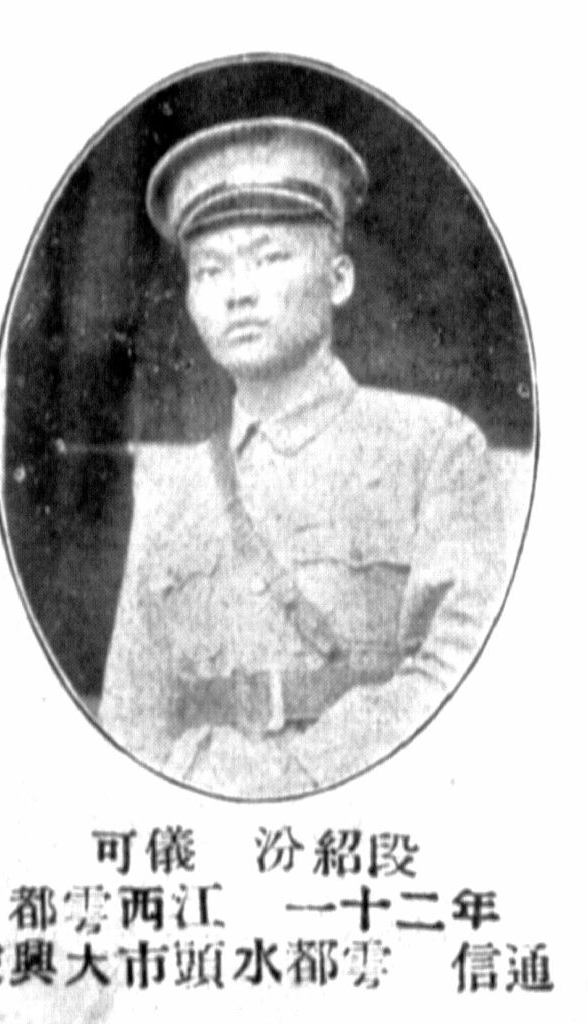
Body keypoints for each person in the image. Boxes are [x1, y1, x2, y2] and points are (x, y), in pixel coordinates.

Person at [98, 117, 505, 798]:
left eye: (269, 258)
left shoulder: (432, 445)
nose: (238, 291)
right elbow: (131, 719)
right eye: (210, 269)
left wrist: (298, 779)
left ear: (338, 278)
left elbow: (464, 669)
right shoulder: (173, 488)